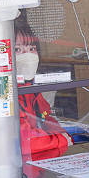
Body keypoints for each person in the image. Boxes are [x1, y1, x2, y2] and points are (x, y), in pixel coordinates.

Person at [14, 18, 71, 161]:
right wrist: (60, 140)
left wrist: (60, 135)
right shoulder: (4, 93)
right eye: (17, 49)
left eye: (32, 49)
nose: (27, 56)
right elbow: (24, 142)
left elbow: (47, 119)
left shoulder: (31, 90)